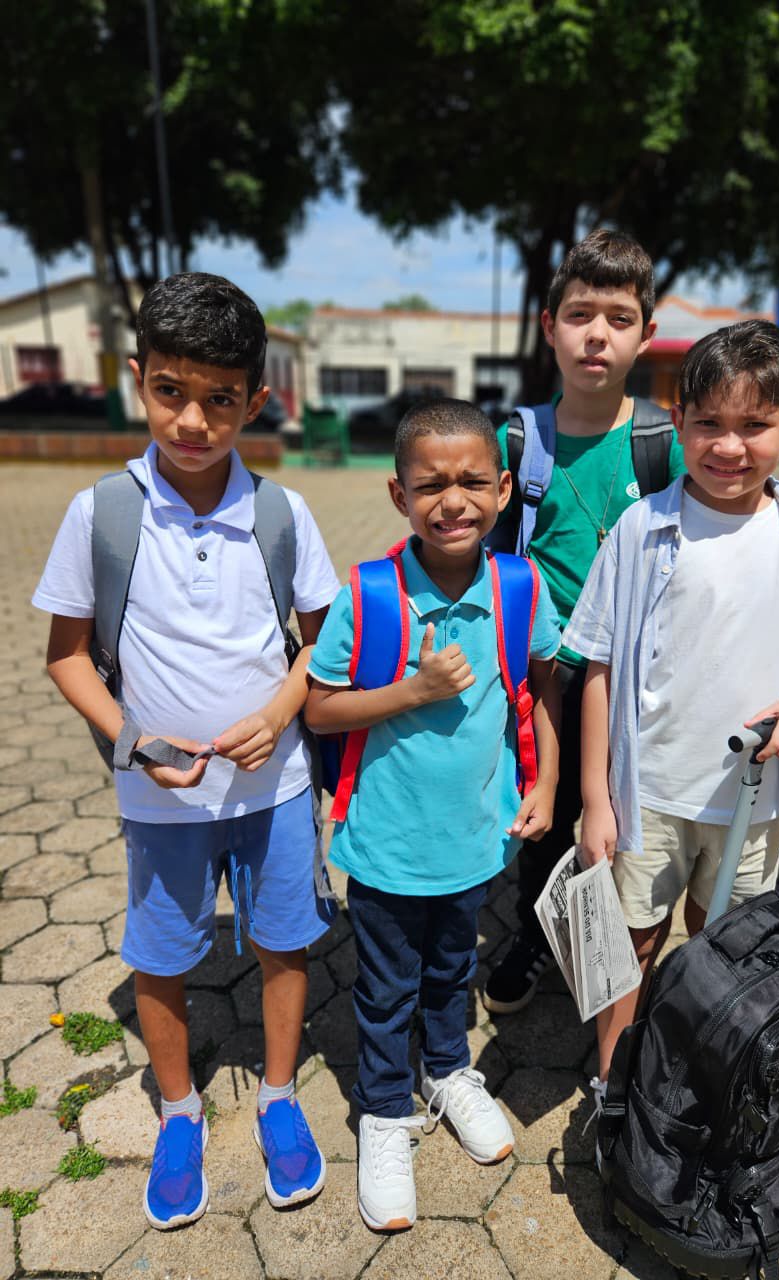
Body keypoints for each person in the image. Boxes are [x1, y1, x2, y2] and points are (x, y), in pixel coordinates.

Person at [32, 273, 339, 1229]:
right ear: (138, 381)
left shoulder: (282, 513)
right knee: (161, 953)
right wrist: (133, 742)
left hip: (275, 788)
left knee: (285, 939)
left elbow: (327, 640)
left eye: (220, 398)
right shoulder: (101, 513)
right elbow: (66, 657)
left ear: (257, 399)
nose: (194, 420)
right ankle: (178, 1109)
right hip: (158, 798)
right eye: (171, 391)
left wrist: (283, 711)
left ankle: (279, 1096)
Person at [564, 319, 779, 1108]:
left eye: (754, 425)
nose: (728, 447)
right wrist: (596, 798)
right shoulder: (641, 529)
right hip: (650, 794)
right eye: (709, 423)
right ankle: (614, 1085)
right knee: (631, 940)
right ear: (679, 420)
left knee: (726, 944)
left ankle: (702, 1077)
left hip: (753, 802)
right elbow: (597, 665)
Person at [305, 399, 561, 1231]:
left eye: (473, 482)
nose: (454, 501)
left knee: (452, 970)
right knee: (387, 989)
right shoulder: (369, 593)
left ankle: (447, 1071)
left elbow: (542, 690)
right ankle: (383, 1111)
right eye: (431, 485)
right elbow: (320, 709)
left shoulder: (520, 588)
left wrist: (547, 785)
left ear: (505, 488)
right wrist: (413, 690)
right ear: (399, 495)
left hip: (476, 838)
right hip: (385, 844)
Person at [482, 228, 685, 1015]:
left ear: (646, 334)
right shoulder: (517, 439)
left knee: (627, 814)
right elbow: (483, 554)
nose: (598, 334)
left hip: (635, 678)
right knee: (547, 813)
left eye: (619, 319)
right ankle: (537, 931)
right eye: (579, 315)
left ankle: (619, 946)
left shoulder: (663, 443)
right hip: (545, 678)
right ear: (550, 326)